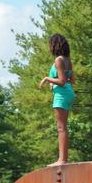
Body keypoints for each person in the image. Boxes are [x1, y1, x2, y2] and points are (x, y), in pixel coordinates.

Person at [39, 34, 76, 166]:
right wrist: (54, 83)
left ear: (55, 45)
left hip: (61, 95)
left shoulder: (58, 60)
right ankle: (63, 158)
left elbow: (61, 81)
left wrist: (47, 79)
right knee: (63, 127)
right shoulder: (68, 60)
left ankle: (62, 160)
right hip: (68, 92)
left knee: (61, 128)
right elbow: (72, 80)